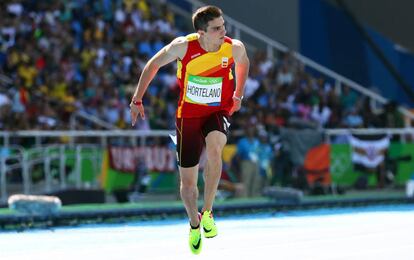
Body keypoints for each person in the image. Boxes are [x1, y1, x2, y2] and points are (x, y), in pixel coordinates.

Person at [129, 5, 249, 254]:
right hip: (189, 117)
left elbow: (244, 63)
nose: (223, 31)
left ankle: (208, 212)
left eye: (223, 25)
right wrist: (137, 99)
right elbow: (152, 65)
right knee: (188, 184)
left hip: (217, 112)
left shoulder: (233, 47)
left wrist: (238, 95)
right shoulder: (183, 46)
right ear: (201, 32)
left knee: (216, 148)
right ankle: (194, 224)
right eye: (216, 28)